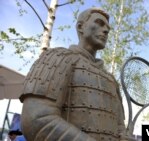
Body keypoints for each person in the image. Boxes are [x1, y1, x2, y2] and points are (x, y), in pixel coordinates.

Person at [19, 7, 133, 141]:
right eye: (99, 23)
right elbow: (36, 120)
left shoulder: (111, 80)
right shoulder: (57, 57)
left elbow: (119, 127)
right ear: (80, 27)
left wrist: (123, 136)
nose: (106, 30)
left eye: (108, 27)